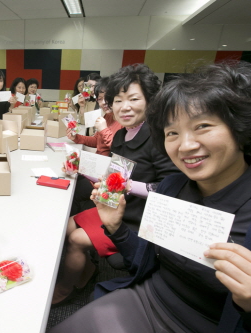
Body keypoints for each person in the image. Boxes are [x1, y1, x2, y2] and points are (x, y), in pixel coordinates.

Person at [49, 61, 251, 333]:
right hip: (147, 298)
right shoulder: (174, 188)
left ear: (240, 127)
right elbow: (142, 264)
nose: (185, 145)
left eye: (203, 127)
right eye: (172, 132)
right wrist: (115, 227)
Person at [52, 64, 179, 305]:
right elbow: (115, 177)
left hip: (139, 219)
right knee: (67, 225)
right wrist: (82, 169)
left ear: (151, 101)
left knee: (76, 240)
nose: (125, 107)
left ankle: (65, 288)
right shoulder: (121, 134)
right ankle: (87, 271)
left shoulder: (158, 138)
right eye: (118, 100)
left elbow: (170, 190)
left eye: (133, 99)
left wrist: (128, 185)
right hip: (118, 206)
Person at [67, 76, 123, 216]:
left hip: (105, 180)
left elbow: (120, 151)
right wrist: (76, 137)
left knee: (70, 190)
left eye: (106, 98)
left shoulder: (123, 122)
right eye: (99, 99)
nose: (103, 102)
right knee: (68, 180)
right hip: (96, 173)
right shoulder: (108, 117)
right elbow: (96, 141)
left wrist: (104, 129)